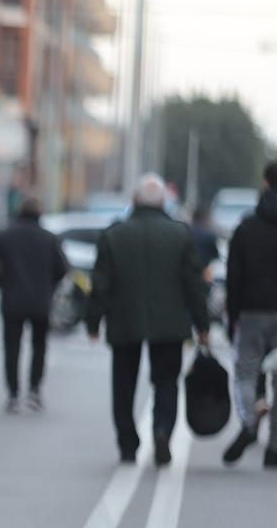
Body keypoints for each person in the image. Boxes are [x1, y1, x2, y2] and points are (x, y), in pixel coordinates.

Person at [86, 174, 211, 466]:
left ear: (133, 200)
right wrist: (202, 324)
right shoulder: (180, 234)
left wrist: (93, 322)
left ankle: (128, 444)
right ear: (163, 202)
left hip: (124, 321)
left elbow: (101, 283)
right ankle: (162, 429)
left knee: (123, 385)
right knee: (166, 382)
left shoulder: (114, 235)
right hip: (170, 323)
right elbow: (193, 284)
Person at [0, 197, 69, 412]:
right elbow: (62, 268)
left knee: (12, 347)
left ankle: (13, 393)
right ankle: (34, 389)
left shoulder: (5, 236)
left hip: (12, 300)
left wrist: (3, 282)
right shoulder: (49, 238)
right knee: (39, 346)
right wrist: (49, 286)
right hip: (41, 301)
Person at [221, 161, 277, 468]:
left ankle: (250, 419)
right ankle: (275, 447)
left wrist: (233, 315)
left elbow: (234, 276)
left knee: (246, 371)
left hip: (253, 310)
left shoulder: (246, 227)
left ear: (265, 183)